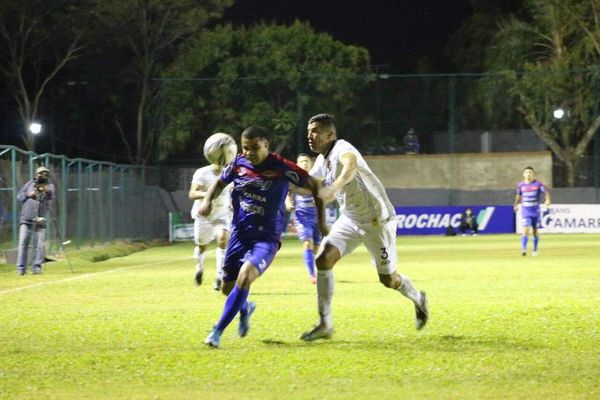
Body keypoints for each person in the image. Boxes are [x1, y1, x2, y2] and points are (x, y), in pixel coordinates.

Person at [301, 113, 428, 342]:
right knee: (323, 260)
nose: (310, 136)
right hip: (350, 219)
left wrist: (336, 186)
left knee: (388, 280)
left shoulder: (342, 148)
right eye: (309, 131)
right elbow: (304, 183)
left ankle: (418, 297)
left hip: (377, 221)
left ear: (330, 134)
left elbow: (350, 165)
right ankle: (325, 324)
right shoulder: (322, 160)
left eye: (316, 131)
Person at [199, 126, 326, 348]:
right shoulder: (238, 163)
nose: (249, 153)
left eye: (255, 148)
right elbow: (220, 182)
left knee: (246, 276)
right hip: (239, 234)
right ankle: (245, 308)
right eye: (246, 148)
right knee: (227, 288)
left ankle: (216, 332)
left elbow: (314, 184)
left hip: (266, 239)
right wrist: (207, 200)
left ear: (266, 145)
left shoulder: (281, 167)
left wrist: (322, 221)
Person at [188, 143, 234, 291]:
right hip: (204, 215)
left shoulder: (231, 172)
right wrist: (208, 195)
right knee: (202, 246)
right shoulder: (202, 173)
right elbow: (192, 193)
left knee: (222, 240)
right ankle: (199, 267)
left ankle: (219, 277)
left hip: (222, 214)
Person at [285, 153, 321, 285]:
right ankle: (312, 275)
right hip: (302, 216)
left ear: (311, 164)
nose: (304, 163)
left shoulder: (317, 178)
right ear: (297, 165)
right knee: (308, 243)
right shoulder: (295, 178)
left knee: (317, 247)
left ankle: (317, 271)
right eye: (301, 161)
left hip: (318, 217)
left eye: (306, 161)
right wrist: (288, 203)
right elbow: (288, 193)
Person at [16, 166, 55, 275]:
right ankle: (21, 269)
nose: (42, 176)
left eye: (45, 174)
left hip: (40, 220)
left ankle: (37, 268)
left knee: (38, 245)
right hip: (26, 219)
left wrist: (45, 189)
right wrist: (29, 195)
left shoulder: (50, 186)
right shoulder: (29, 184)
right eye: (40, 174)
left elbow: (51, 196)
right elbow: (19, 196)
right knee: (23, 244)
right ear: (36, 175)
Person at [513, 166, 551, 256]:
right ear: (523, 174)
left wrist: (548, 200)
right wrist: (515, 205)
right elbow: (518, 196)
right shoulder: (520, 185)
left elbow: (546, 192)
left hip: (535, 211)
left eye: (530, 172)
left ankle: (535, 249)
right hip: (525, 210)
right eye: (526, 172)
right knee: (525, 229)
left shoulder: (538, 184)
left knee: (535, 231)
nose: (528, 174)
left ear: (533, 174)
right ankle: (524, 249)